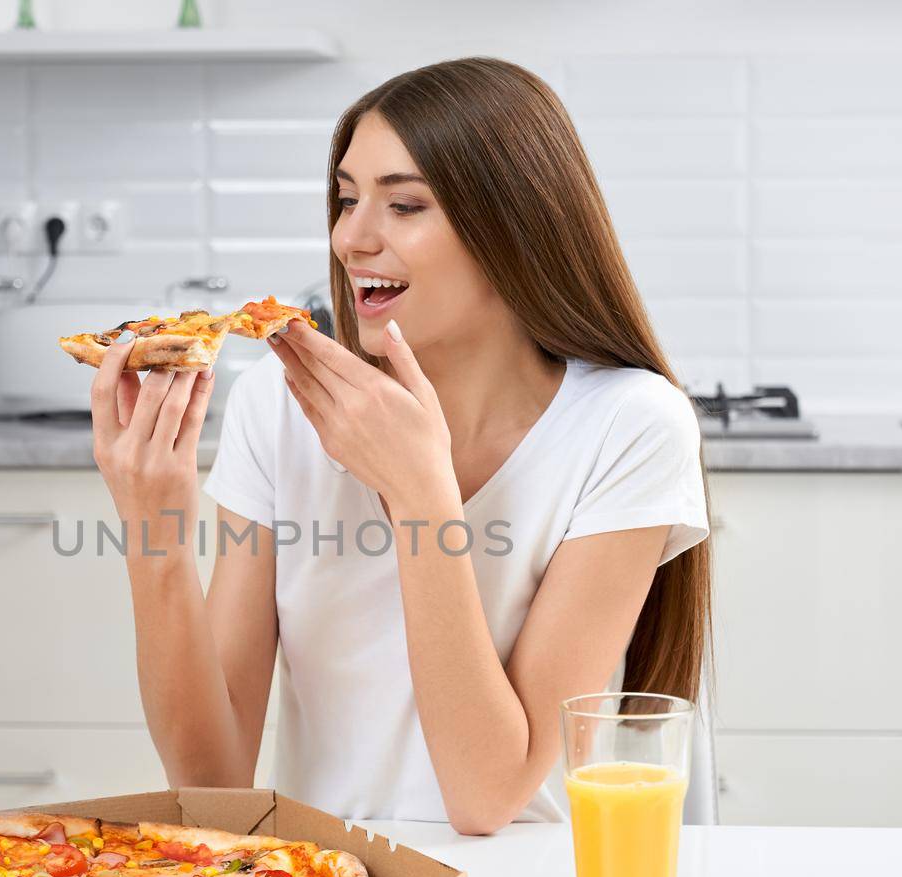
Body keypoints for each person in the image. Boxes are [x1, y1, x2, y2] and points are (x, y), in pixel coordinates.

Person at [87, 57, 712, 834]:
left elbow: (486, 796)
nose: (353, 237)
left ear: (514, 226)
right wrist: (155, 533)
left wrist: (422, 496)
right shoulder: (277, 408)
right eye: (347, 200)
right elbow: (211, 784)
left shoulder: (629, 424)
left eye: (405, 205)